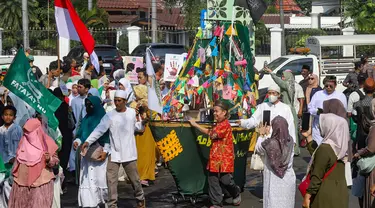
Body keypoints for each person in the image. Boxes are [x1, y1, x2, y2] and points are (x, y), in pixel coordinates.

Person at [81, 90, 146, 208]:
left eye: (119, 101)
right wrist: (87, 141)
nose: (117, 103)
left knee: (135, 180)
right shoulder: (110, 115)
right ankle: (112, 205)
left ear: (125, 101)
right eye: (115, 100)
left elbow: (136, 127)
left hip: (129, 152)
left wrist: (143, 123)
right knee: (111, 181)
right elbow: (99, 130)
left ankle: (140, 199)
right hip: (114, 153)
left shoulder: (131, 113)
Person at [189, 100, 241, 208]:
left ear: (224, 112)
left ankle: (235, 192)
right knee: (212, 180)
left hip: (225, 158)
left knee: (226, 180)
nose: (215, 114)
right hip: (214, 157)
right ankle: (216, 203)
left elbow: (212, 134)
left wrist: (195, 125)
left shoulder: (225, 125)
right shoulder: (217, 124)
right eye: (214, 111)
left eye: (217, 111)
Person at [8, 118, 59, 208]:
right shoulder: (23, 142)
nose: (28, 134)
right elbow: (17, 161)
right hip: (21, 184)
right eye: (26, 131)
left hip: (41, 184)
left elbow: (55, 161)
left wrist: (49, 159)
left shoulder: (46, 142)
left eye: (30, 131)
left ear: (38, 130)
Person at [302, 113, 349, 208]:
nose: (320, 127)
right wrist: (308, 137)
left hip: (324, 196)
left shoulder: (325, 148)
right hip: (340, 195)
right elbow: (321, 158)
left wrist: (308, 195)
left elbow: (317, 174)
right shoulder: (342, 148)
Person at [73, 96, 109, 207]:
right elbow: (80, 134)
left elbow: (107, 137)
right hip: (87, 155)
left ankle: (104, 203)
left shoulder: (104, 119)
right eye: (87, 105)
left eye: (91, 105)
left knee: (100, 180)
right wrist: (77, 141)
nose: (89, 107)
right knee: (88, 180)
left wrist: (106, 151)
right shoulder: (86, 119)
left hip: (99, 154)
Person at [237, 84, 296, 152]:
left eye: (273, 93)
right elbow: (254, 121)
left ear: (278, 95)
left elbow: (290, 125)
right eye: (269, 93)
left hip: (281, 141)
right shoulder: (263, 106)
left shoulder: (285, 108)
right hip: (265, 140)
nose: (271, 95)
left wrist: (293, 141)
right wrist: (242, 122)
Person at [256, 116, 295, 208]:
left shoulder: (270, 143)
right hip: (288, 178)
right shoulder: (290, 140)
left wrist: (262, 134)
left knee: (272, 203)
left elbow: (259, 148)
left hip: (273, 180)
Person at [264, 69, 300, 155]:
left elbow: (279, 82)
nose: (282, 78)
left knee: (290, 130)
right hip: (289, 108)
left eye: (284, 76)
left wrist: (271, 73)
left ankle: (293, 149)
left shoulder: (287, 84)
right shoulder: (290, 85)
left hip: (288, 109)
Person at [308, 76, 347, 145]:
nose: (328, 87)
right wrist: (317, 112)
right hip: (318, 126)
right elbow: (310, 108)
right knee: (318, 147)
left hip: (334, 128)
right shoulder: (318, 94)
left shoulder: (340, 96)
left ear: (335, 86)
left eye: (331, 86)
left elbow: (343, 113)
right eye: (326, 86)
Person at [52, 88, 75, 192]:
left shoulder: (51, 108)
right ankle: (62, 184)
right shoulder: (66, 107)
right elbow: (72, 123)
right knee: (64, 161)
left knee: (55, 159)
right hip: (66, 137)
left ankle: (56, 184)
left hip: (55, 137)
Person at [68, 78, 91, 174]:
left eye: (80, 87)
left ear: (86, 89)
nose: (78, 88)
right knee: (74, 150)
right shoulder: (74, 101)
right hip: (76, 130)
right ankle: (73, 171)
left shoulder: (90, 101)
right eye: (78, 86)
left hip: (88, 130)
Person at [0, 105, 23, 174]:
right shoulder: (0, 130)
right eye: (6, 115)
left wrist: (16, 157)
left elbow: (22, 145)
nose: (8, 117)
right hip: (3, 162)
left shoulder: (18, 129)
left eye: (10, 115)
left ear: (14, 117)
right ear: (2, 116)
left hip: (15, 161)